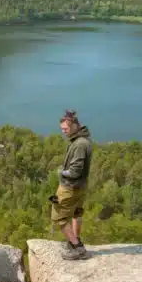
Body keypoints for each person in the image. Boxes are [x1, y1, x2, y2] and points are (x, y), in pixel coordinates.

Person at [50, 109, 92, 260]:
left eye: (65, 129)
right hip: (80, 186)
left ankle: (77, 247)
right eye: (62, 129)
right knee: (76, 213)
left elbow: (74, 171)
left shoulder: (79, 144)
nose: (63, 132)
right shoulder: (83, 140)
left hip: (70, 187)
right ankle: (74, 241)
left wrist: (61, 172)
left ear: (75, 125)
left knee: (59, 217)